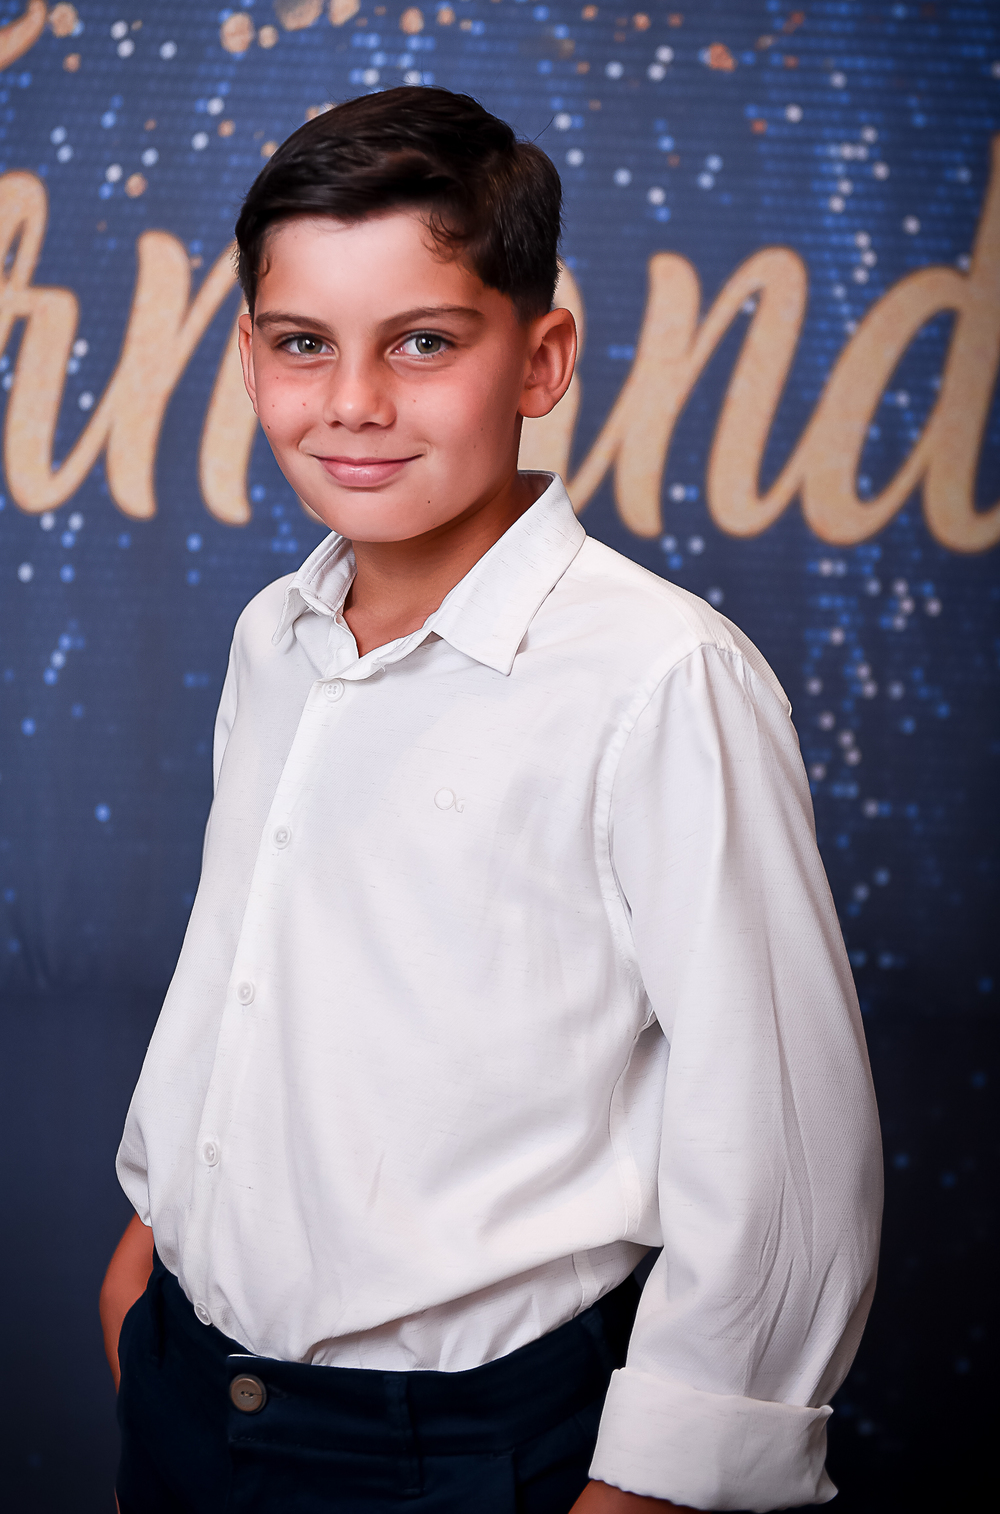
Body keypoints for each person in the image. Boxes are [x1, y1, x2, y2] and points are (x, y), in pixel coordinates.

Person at [101, 87, 883, 1513]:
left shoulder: (661, 680)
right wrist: (152, 1241)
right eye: (303, 344)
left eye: (423, 342)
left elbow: (782, 1145)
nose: (354, 402)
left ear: (541, 359)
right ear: (249, 358)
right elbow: (254, 974)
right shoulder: (274, 638)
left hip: (456, 1444)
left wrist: (658, 1482)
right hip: (191, 1383)